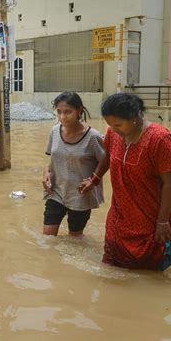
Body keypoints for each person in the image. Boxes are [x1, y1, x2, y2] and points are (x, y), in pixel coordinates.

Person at [81, 93, 171, 270]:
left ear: (135, 117)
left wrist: (162, 221)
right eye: (110, 125)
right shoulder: (113, 133)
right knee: (112, 259)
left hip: (150, 212)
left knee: (148, 265)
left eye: (119, 124)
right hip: (121, 210)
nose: (114, 129)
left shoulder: (160, 139)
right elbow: (108, 156)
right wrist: (94, 178)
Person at [42, 91, 106, 236]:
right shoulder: (54, 131)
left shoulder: (93, 137)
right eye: (59, 112)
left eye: (67, 112)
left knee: (75, 240)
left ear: (79, 111)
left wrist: (94, 180)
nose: (62, 117)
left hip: (80, 194)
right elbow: (51, 160)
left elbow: (106, 160)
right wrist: (46, 174)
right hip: (56, 191)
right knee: (48, 238)